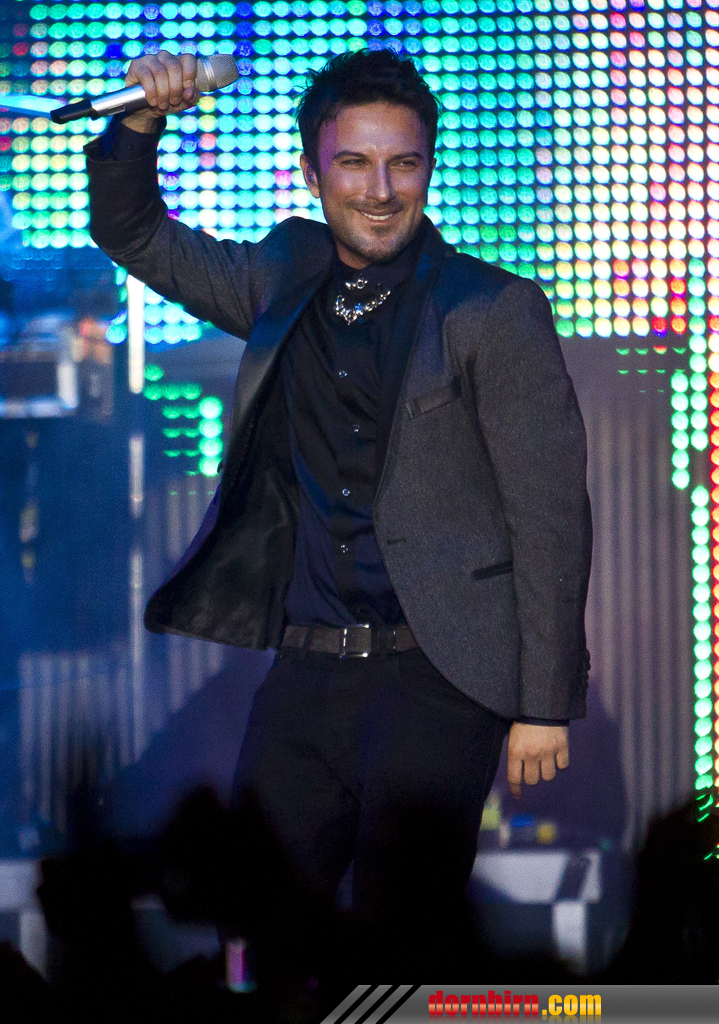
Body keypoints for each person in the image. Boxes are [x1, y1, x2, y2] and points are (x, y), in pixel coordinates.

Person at [85, 47, 592, 977]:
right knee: (258, 928)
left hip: (438, 677)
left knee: (400, 942)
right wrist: (142, 119)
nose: (380, 190)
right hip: (307, 671)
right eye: (353, 163)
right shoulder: (282, 273)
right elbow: (135, 233)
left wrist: (542, 704)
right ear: (311, 171)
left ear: (429, 168)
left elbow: (550, 515)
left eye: (403, 163)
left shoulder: (491, 308)